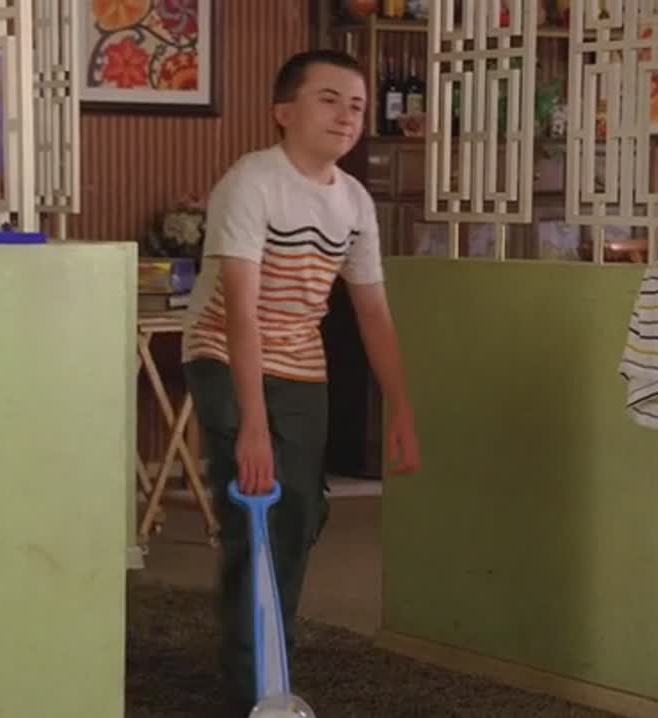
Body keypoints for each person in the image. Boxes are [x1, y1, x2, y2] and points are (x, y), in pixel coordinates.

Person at [180, 48, 423, 710]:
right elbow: (240, 311)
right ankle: (255, 688)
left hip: (300, 362)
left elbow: (373, 313)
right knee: (254, 508)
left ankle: (271, 661)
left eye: (357, 106)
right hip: (224, 353)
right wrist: (253, 427)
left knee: (300, 514)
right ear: (283, 112)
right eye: (329, 99)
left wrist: (401, 409)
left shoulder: (354, 202)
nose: (346, 115)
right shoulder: (252, 183)